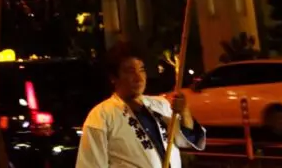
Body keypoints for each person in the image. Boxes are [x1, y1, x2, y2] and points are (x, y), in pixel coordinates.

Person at [76, 43, 205, 168]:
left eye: (142, 70)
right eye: (130, 71)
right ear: (113, 77)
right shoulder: (101, 116)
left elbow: (187, 140)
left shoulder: (161, 105)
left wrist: (184, 111)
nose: (139, 77)